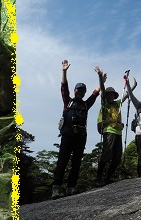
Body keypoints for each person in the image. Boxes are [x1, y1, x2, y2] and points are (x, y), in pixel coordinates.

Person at [51, 60, 100, 199]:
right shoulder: (68, 101)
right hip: (67, 134)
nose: (80, 92)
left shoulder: (86, 104)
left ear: (84, 93)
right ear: (75, 91)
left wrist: (101, 79)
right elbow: (63, 86)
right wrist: (64, 71)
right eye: (78, 90)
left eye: (82, 91)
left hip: (80, 136)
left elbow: (96, 93)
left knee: (76, 162)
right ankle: (56, 188)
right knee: (62, 161)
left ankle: (71, 187)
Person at [95, 66, 134, 186]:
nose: (110, 96)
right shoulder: (104, 103)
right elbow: (102, 89)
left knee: (117, 158)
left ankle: (107, 178)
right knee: (106, 155)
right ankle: (98, 178)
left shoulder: (117, 103)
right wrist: (100, 77)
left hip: (118, 132)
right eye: (109, 94)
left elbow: (127, 95)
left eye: (112, 94)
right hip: (109, 131)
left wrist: (132, 85)